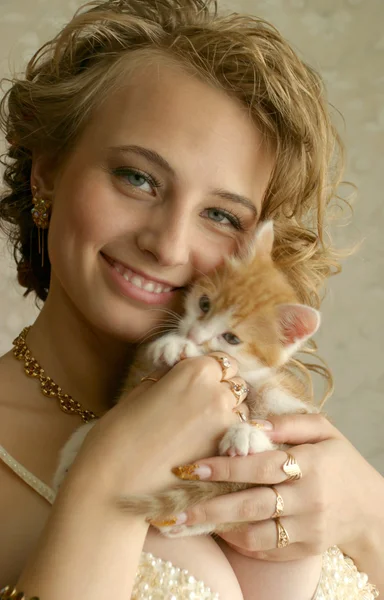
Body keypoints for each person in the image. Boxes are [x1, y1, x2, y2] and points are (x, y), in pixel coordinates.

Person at [0, 0, 382, 598]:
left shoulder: (289, 434)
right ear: (46, 171)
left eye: (220, 214)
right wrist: (108, 478)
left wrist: (371, 517)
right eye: (137, 178)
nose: (169, 245)